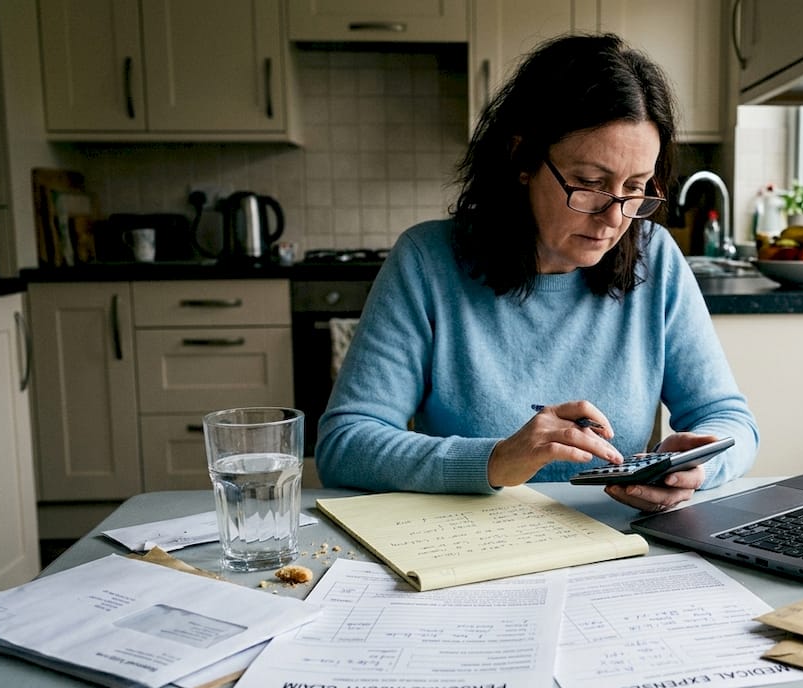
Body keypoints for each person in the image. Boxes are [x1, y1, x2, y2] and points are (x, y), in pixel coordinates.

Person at [315, 33, 759, 513]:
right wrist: (494, 460)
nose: (615, 217)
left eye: (635, 188)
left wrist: (699, 468)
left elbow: (730, 419)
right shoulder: (427, 260)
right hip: (466, 544)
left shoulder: (657, 259)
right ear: (522, 158)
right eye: (589, 184)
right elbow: (345, 444)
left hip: (614, 539)